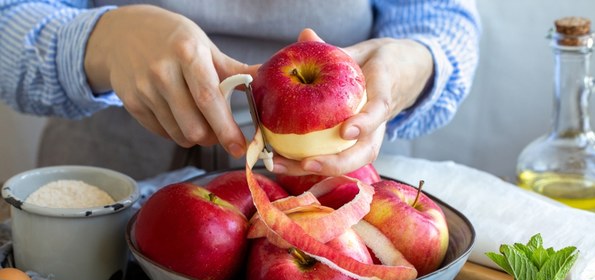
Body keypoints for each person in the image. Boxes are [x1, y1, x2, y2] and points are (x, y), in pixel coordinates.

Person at [0, 0, 481, 180]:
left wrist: (412, 65)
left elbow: (441, 21)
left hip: (333, 193)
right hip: (106, 189)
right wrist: (102, 40)